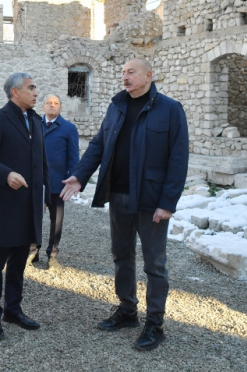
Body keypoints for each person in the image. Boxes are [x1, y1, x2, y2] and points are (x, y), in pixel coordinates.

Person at [60, 58, 189, 351]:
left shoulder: (170, 109)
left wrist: (168, 203)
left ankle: (155, 323)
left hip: (151, 200)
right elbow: (98, 145)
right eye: (123, 72)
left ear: (148, 76)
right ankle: (127, 311)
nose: (125, 77)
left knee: (154, 264)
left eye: (131, 72)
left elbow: (179, 159)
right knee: (121, 256)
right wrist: (79, 176)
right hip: (118, 195)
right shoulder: (116, 106)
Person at [0, 72, 51, 340]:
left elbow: (42, 162)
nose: (35, 93)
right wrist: (6, 174)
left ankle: (13, 309)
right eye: (31, 88)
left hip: (29, 204)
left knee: (20, 261)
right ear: (14, 92)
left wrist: (45, 195)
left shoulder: (36, 121)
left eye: (35, 87)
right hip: (5, 204)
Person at [27, 94, 79, 270]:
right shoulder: (34, 126)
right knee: (34, 218)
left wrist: (72, 181)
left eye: (56, 103)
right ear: (43, 107)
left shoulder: (69, 129)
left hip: (58, 183)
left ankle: (53, 255)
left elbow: (73, 158)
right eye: (48, 103)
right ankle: (32, 251)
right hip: (37, 183)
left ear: (60, 108)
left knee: (56, 221)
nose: (52, 106)